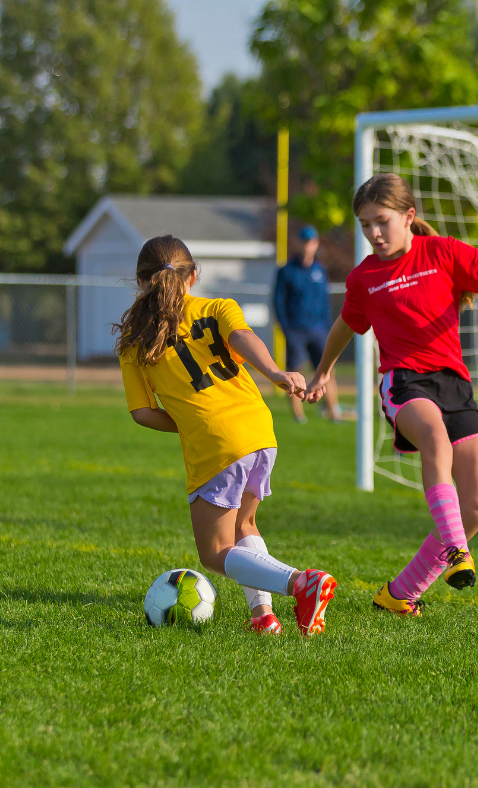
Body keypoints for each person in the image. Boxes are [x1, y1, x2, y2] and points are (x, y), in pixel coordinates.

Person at [306, 174, 478, 616]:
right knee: (434, 437)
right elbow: (345, 327)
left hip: (454, 385)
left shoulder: (443, 252)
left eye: (382, 221)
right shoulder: (364, 278)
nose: (374, 233)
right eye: (365, 224)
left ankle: (399, 594)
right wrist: (322, 372)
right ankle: (456, 549)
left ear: (408, 216)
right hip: (404, 383)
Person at [116, 235, 337, 636]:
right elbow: (243, 338)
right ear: (193, 277)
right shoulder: (218, 307)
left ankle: (301, 583)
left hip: (217, 443)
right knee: (244, 526)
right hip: (258, 428)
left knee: (215, 552)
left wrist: (193, 422)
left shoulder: (135, 341)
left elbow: (142, 413)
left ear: (141, 281)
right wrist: (275, 373)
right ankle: (263, 617)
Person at [273, 225, 344, 423]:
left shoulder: (320, 269)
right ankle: (299, 416)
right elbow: (278, 301)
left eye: (311, 242)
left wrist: (327, 327)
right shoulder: (286, 271)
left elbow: (326, 302)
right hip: (295, 329)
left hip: (319, 329)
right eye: (305, 241)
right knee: (295, 372)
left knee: (327, 371)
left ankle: (334, 413)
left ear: (316, 244)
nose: (308, 246)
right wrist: (286, 328)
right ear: (299, 243)